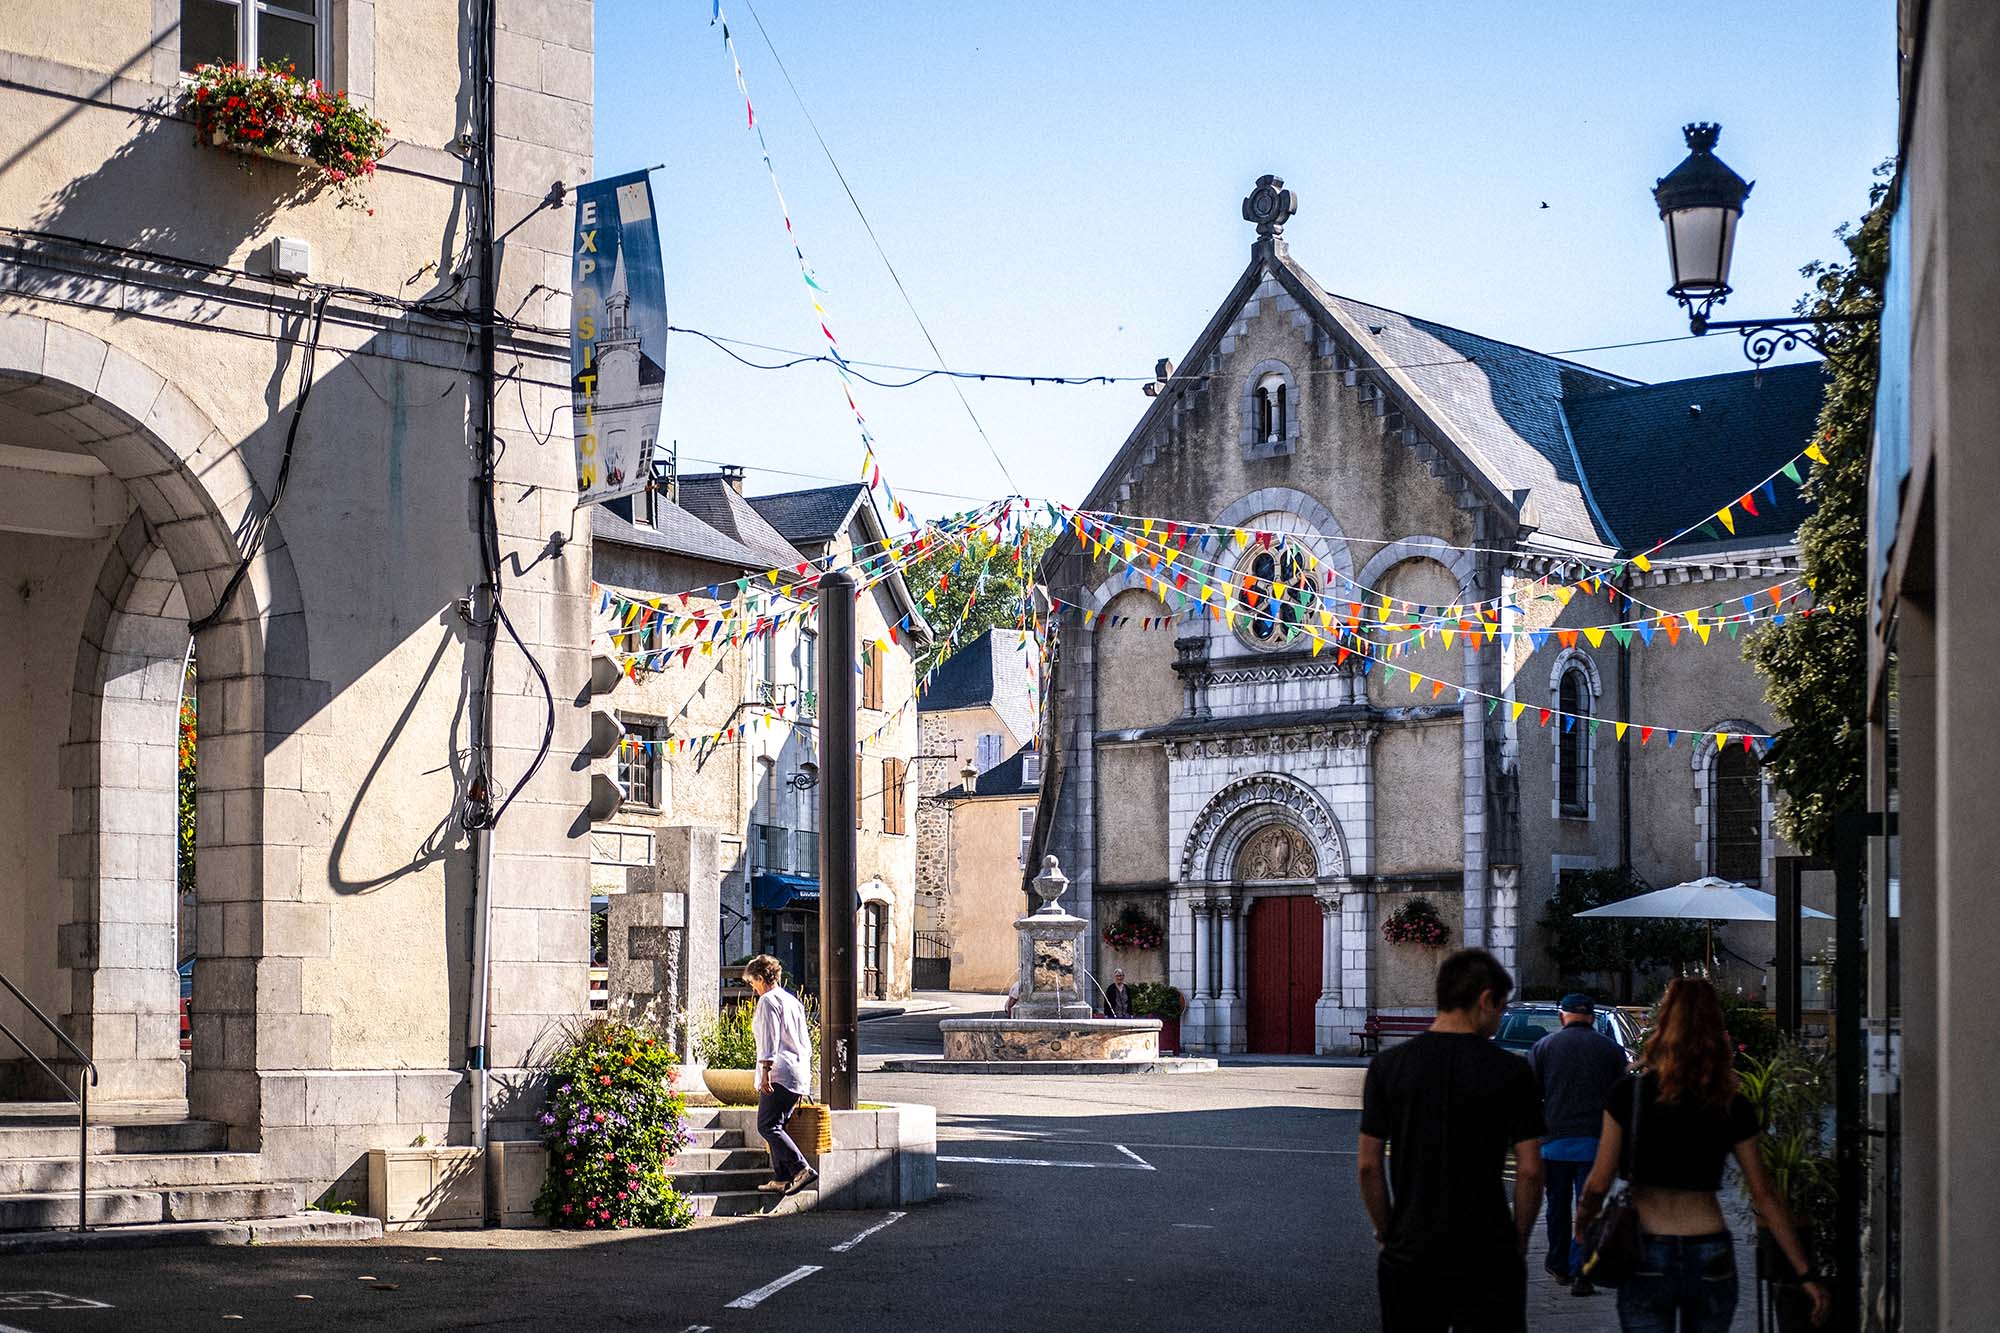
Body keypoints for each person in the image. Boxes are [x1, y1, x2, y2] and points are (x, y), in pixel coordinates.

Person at [1575, 977, 1831, 1331]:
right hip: (1710, 1247)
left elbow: (1598, 1181)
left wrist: (1584, 1220)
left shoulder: (1627, 1095)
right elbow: (1763, 1193)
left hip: (1647, 1246)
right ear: (1716, 1030)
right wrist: (1804, 1272)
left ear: (1662, 1024)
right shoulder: (1730, 1101)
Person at [1359, 948, 1546, 1332]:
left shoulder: (1388, 1067)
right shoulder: (1511, 1071)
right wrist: (1519, 1239)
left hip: (1411, 1246)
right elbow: (1529, 1170)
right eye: (1500, 1008)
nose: (1498, 1019)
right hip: (1487, 1246)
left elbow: (1368, 1164)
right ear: (1484, 1000)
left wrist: (1386, 1231)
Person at [1528, 993, 1628, 1295]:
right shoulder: (1611, 1051)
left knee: (1556, 1207)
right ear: (1592, 1018)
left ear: (1562, 1016)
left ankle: (1558, 1264)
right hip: (1597, 1143)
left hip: (1553, 1143)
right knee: (1590, 1208)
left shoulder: (1543, 1047)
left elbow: (1532, 1097)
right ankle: (1582, 1269)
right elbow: (1620, 1100)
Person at [743, 954, 817, 1196]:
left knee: (767, 1126)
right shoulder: (793, 1001)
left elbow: (769, 1039)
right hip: (796, 1072)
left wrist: (765, 1071)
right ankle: (781, 1177)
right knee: (778, 1123)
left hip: (779, 1072)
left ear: (762, 978)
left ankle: (800, 1168)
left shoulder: (768, 1001)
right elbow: (805, 1043)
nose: (753, 988)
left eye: (753, 982)